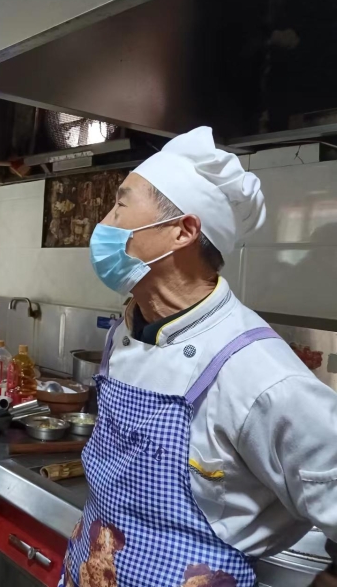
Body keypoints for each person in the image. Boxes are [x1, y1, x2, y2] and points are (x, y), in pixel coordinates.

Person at [60, 126, 337, 587]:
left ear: (183, 231)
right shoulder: (128, 329)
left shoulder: (258, 372)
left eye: (120, 206)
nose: (103, 223)